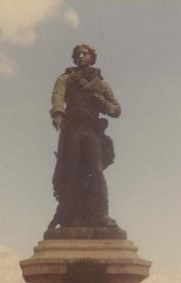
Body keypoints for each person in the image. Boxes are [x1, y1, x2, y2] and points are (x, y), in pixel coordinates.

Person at [48, 44, 121, 229]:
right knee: (71, 170)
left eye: (85, 53)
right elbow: (58, 96)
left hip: (91, 130)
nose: (81, 56)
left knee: (95, 170)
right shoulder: (65, 78)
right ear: (74, 58)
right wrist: (57, 113)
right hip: (72, 129)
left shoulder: (101, 84)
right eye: (78, 54)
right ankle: (69, 215)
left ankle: (101, 215)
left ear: (92, 57)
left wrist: (102, 102)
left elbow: (116, 110)